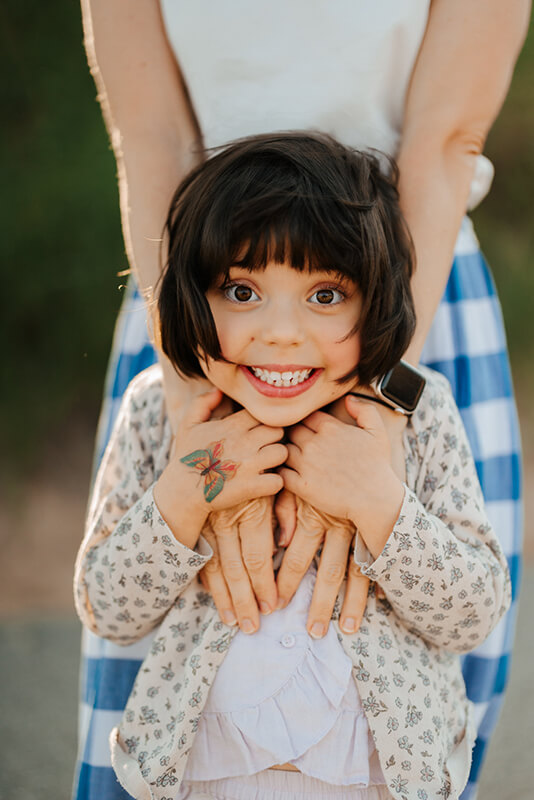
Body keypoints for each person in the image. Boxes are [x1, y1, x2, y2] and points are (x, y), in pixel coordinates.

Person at [75, 3, 529, 799]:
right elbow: (108, 607)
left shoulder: (428, 412)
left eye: (320, 296)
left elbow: (471, 609)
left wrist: (382, 475)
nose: (281, 335)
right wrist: (188, 475)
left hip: (401, 260)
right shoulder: (159, 408)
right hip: (198, 242)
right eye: (248, 292)